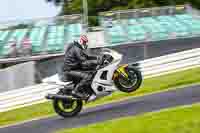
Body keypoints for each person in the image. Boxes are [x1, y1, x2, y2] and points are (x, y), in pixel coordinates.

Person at [62, 35, 102, 99]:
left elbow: (86, 57)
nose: (86, 44)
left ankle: (87, 90)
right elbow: (84, 62)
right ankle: (75, 91)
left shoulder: (77, 48)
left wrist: (98, 57)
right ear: (81, 41)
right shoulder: (77, 49)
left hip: (72, 68)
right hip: (69, 70)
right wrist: (97, 62)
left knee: (90, 71)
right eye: (85, 42)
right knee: (88, 76)